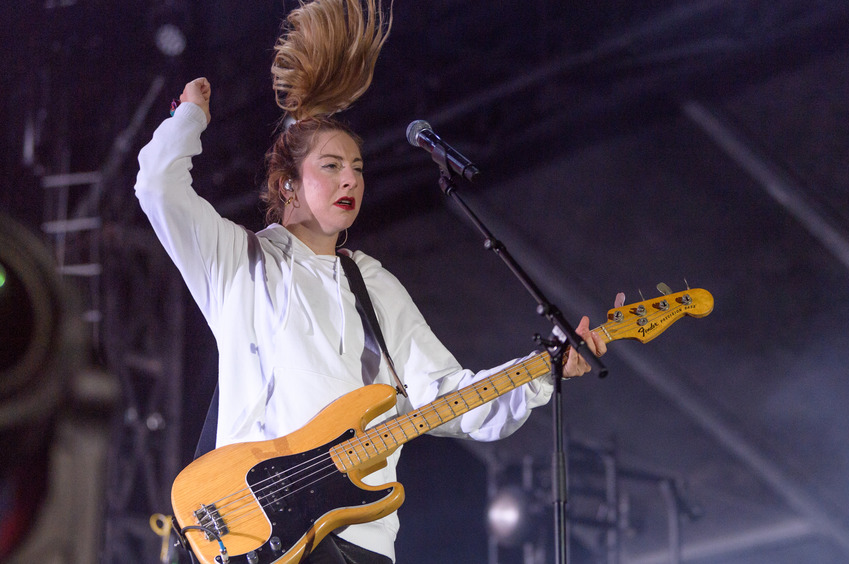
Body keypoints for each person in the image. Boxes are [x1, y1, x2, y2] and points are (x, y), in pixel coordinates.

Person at [134, 1, 606, 562]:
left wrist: (544, 371)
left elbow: (447, 395)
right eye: (331, 165)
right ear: (287, 184)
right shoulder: (240, 262)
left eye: (358, 167)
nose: (350, 179)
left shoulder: (373, 284)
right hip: (252, 528)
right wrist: (188, 116)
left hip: (359, 539)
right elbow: (158, 186)